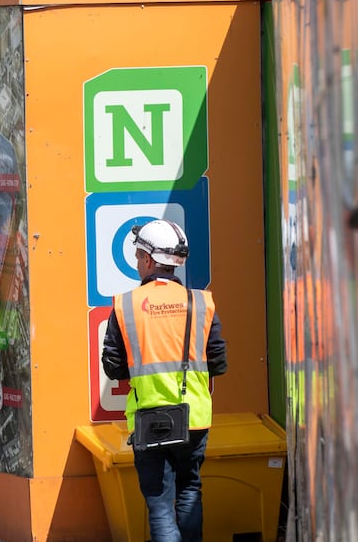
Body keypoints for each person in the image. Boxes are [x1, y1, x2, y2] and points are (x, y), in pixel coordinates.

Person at [102, 219, 227, 542]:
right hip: (195, 418)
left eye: (137, 256)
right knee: (189, 490)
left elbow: (113, 367)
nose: (137, 263)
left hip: (150, 419)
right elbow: (218, 362)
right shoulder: (201, 303)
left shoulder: (125, 305)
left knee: (159, 504)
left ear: (148, 259)